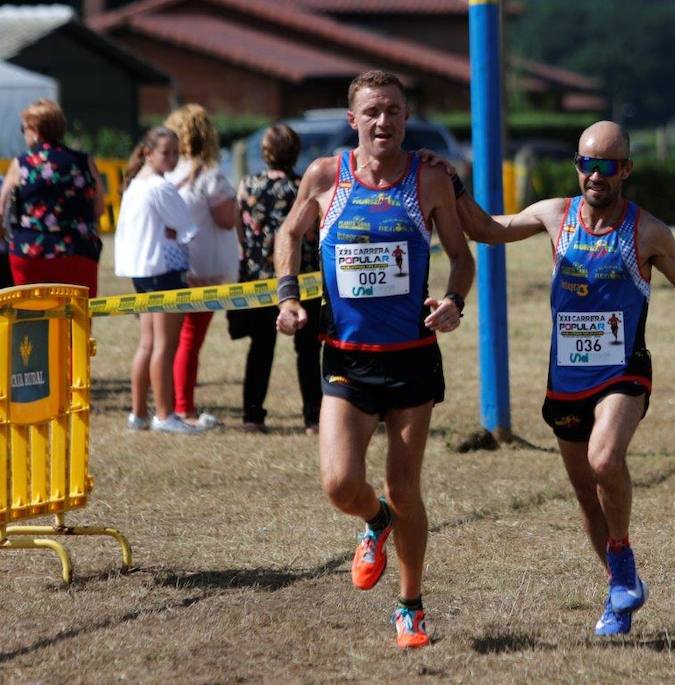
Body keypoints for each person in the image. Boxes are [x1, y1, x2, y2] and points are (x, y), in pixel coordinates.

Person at [433, 120, 675, 637]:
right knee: (585, 492)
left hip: (623, 371)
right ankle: (618, 590)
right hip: (565, 378)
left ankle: (623, 559)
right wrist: (453, 189)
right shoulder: (555, 214)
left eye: (607, 166)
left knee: (604, 459)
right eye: (587, 163)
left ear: (626, 170)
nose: (595, 175)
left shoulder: (647, 231)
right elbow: (488, 230)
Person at [274, 70, 474, 649]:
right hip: (346, 358)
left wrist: (454, 302)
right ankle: (374, 520)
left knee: (406, 488)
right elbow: (289, 233)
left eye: (393, 111)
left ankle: (410, 607)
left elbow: (463, 259)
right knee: (340, 484)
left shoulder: (429, 180)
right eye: (372, 111)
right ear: (352, 120)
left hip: (412, 359)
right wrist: (289, 297)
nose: (383, 121)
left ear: (406, 118)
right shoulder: (325, 176)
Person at [230, 124, 322, 434]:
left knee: (260, 348)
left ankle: (252, 416)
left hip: (260, 281)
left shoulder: (247, 185)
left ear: (265, 153)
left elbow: (240, 232)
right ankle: (313, 418)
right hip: (302, 278)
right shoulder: (304, 188)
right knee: (308, 350)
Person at [115, 127, 200, 434]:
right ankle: (164, 415)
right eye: (167, 152)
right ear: (148, 153)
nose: (173, 158)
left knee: (148, 345)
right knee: (165, 345)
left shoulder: (135, 184)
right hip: (164, 270)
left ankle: (139, 414)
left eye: (176, 152)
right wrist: (178, 232)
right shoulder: (159, 187)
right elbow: (188, 228)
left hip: (142, 272)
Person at [164, 104, 239, 428]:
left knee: (167, 341)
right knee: (189, 340)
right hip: (202, 268)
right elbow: (227, 219)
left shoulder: (164, 172)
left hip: (167, 265)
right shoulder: (208, 175)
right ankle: (183, 408)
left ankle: (168, 406)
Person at [0, 99, 104, 295]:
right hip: (77, 250)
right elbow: (99, 208)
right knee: (75, 318)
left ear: (35, 130)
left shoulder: (22, 163)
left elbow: (1, 208)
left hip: (30, 252)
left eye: (24, 129)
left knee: (31, 317)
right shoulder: (84, 161)